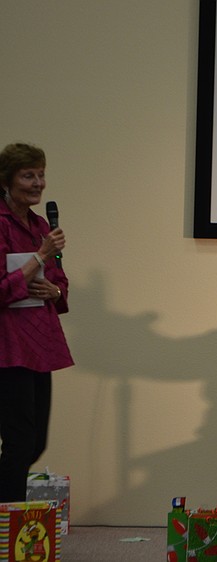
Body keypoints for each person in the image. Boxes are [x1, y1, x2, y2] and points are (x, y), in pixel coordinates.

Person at [0, 143, 73, 502]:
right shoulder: (0, 224)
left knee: (35, 442)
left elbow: (59, 277)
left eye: (41, 174)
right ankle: (7, 528)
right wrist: (40, 255)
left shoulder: (42, 224)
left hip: (38, 345)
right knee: (19, 441)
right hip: (7, 348)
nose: (38, 183)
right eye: (28, 175)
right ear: (7, 180)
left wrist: (55, 292)